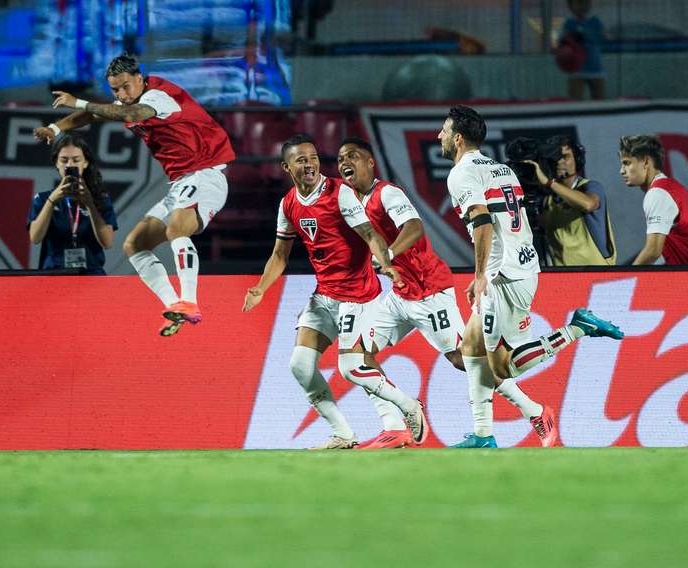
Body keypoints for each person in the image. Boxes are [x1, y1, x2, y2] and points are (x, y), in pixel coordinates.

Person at [337, 137, 552, 448]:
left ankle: (534, 411)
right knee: (359, 355)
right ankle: (396, 423)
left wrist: (388, 256)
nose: (347, 161)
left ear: (371, 163)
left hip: (429, 290)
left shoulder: (387, 194)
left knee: (465, 360)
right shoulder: (350, 202)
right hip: (399, 295)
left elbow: (414, 228)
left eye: (355, 156)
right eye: (342, 157)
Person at [441, 106, 625, 446]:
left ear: (458, 138)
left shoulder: (462, 174)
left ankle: (578, 328)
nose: (439, 136)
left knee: (501, 368)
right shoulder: (501, 170)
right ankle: (484, 435)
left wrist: (481, 274)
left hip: (504, 277)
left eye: (444, 130)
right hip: (520, 265)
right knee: (469, 346)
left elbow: (481, 222)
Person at [242, 134, 428, 450]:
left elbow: (370, 234)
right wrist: (260, 287)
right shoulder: (288, 204)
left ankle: (410, 406)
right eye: (301, 160)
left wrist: (388, 264)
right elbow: (279, 255)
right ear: (287, 167)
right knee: (299, 365)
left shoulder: (340, 193)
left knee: (351, 367)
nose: (310, 164)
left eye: (313, 157)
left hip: (357, 293)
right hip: (324, 295)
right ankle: (343, 433)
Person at [33, 52, 236, 336]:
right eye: (115, 89)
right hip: (181, 182)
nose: (121, 94)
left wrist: (77, 100)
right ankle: (175, 307)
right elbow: (94, 113)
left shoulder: (158, 97)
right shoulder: (131, 97)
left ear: (140, 78)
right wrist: (55, 128)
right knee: (134, 245)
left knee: (178, 229)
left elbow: (129, 114)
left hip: (205, 174)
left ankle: (190, 301)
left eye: (126, 86)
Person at [619, 135, 688, 266]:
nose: (621, 171)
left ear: (645, 162)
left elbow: (653, 250)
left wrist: (625, 278)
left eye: (627, 163)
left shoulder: (658, 193)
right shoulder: (669, 188)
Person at [27, 133, 118, 275]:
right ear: (56, 163)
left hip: (91, 277)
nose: (69, 165)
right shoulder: (42, 199)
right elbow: (35, 238)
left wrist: (90, 204)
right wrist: (52, 201)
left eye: (76, 160)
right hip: (54, 276)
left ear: (85, 163)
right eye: (64, 160)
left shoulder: (100, 199)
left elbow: (107, 242)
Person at [534, 135, 616, 266]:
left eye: (565, 157)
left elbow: (589, 204)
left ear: (577, 160)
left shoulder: (589, 187)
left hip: (596, 273)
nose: (559, 162)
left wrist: (549, 183)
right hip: (564, 277)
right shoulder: (547, 200)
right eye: (555, 157)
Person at [560, 0, 605, 101]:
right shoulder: (569, 23)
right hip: (576, 69)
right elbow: (564, 42)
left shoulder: (595, 22)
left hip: (595, 68)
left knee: (599, 101)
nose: (582, 6)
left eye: (585, 2)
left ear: (590, 4)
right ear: (571, 6)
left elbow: (600, 38)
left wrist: (585, 36)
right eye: (578, 3)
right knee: (575, 101)